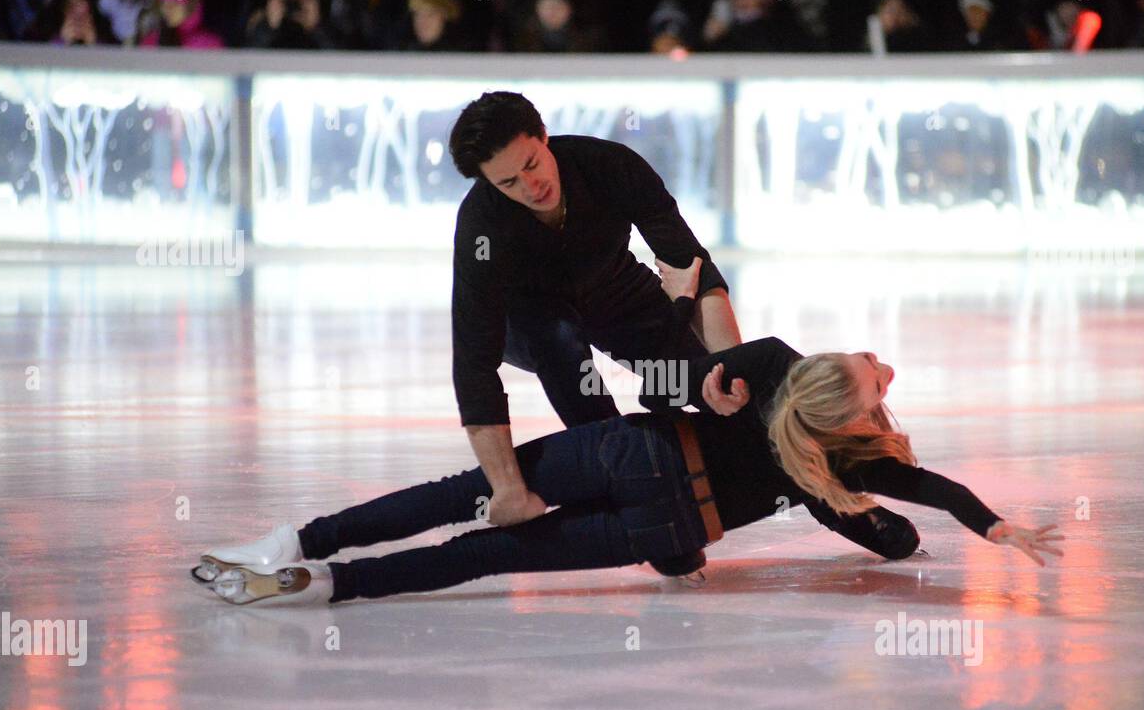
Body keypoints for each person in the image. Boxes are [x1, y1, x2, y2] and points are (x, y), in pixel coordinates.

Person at [192, 259, 1063, 606]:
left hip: (636, 451)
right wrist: (957, 528)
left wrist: (682, 309)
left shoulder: (769, 363)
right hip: (671, 527)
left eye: (878, 385)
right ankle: (327, 587)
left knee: (469, 493)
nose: (888, 378)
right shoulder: (834, 464)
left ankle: (295, 541)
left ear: (831, 373)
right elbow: (918, 509)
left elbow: (662, 377)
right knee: (489, 552)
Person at [445, 91, 742, 534]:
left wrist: (735, 369)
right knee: (558, 338)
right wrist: (507, 485)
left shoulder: (609, 165)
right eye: (509, 184)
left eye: (531, 164)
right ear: (489, 185)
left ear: (544, 136)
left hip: (614, 288)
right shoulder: (481, 228)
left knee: (702, 380)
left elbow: (692, 266)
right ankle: (621, 470)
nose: (531, 187)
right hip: (528, 319)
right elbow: (473, 362)